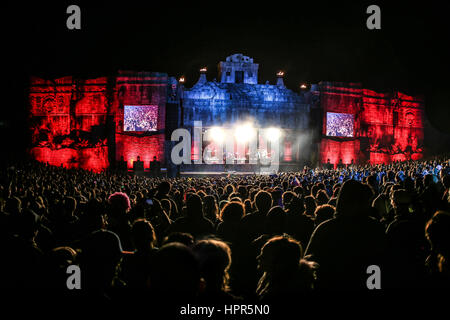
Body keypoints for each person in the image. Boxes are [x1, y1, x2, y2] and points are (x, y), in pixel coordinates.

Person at [305, 180, 386, 290]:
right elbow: (381, 264)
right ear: (358, 203)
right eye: (367, 202)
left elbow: (308, 264)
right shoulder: (374, 228)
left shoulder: (325, 229)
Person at [256, 235, 317, 300]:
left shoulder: (283, 295)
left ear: (279, 262)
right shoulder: (268, 280)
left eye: (265, 255)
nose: (258, 257)